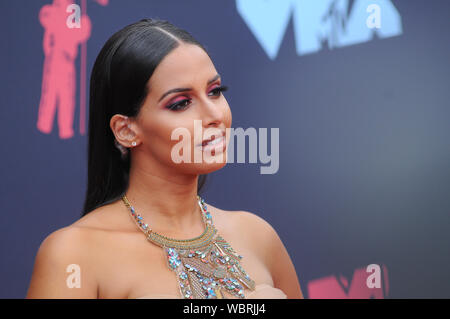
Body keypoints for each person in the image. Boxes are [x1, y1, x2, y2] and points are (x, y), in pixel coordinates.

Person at [26, 18, 303, 299]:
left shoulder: (257, 236)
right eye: (180, 103)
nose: (215, 115)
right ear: (126, 130)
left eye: (215, 92)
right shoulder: (74, 255)